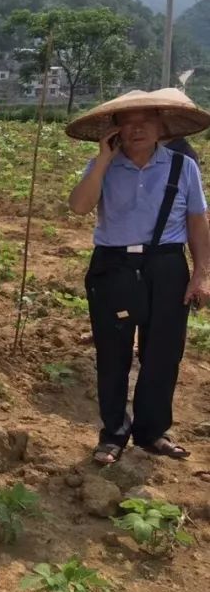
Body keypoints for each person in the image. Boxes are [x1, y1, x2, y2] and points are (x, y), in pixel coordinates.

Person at [67, 89, 210, 465]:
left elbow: (197, 222)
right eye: (127, 122)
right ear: (115, 131)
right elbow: (79, 207)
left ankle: (152, 432)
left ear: (162, 126)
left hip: (166, 267)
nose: (137, 128)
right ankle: (113, 434)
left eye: (145, 120)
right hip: (113, 267)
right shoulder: (103, 166)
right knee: (112, 354)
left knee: (163, 353)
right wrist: (101, 161)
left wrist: (201, 274)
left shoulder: (183, 167)